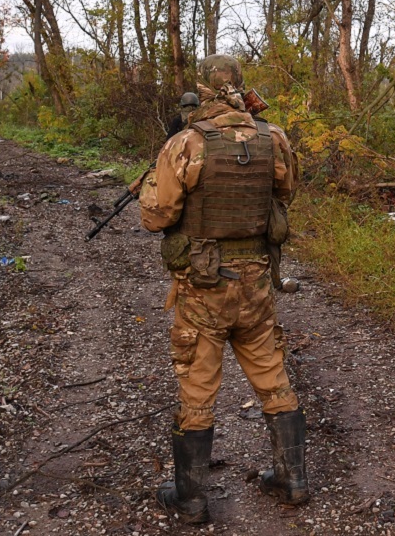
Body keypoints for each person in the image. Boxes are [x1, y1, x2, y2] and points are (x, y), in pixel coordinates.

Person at [139, 54, 307, 524]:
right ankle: (292, 479)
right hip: (256, 284)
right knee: (273, 378)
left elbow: (156, 217)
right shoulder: (273, 138)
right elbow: (285, 194)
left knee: (197, 387)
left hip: (203, 289)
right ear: (239, 86)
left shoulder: (186, 143)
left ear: (202, 93)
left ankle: (191, 500)